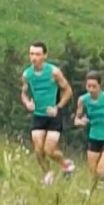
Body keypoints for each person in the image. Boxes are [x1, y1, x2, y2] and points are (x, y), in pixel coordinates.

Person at [19, 41, 74, 183]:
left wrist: (58, 107)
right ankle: (48, 174)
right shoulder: (27, 74)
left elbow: (68, 90)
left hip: (53, 116)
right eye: (31, 54)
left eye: (37, 54)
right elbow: (24, 93)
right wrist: (27, 103)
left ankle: (65, 164)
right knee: (38, 149)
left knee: (49, 150)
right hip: (38, 115)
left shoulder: (53, 72)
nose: (34, 58)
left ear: (45, 56)